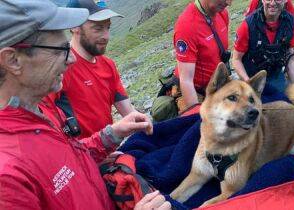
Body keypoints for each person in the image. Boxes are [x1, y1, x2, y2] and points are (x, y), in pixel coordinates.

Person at [0, 0, 169, 209]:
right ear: (13, 60)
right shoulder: (7, 178)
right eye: (59, 49)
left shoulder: (41, 110)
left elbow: (69, 159)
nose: (71, 59)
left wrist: (110, 136)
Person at [55, 0, 150, 138]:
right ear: (75, 26)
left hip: (107, 149)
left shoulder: (108, 65)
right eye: (98, 28)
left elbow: (129, 112)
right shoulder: (59, 68)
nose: (106, 36)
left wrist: (146, 125)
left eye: (108, 28)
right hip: (77, 154)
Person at [233, 0, 294, 98]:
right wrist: (248, 82)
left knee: (280, 105)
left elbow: (291, 56)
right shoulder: (248, 25)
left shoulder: (291, 23)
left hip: (275, 75)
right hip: (252, 76)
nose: (272, 3)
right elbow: (236, 59)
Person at [173, 0, 232, 111]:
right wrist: (197, 116)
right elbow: (186, 80)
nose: (229, 3)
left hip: (217, 84)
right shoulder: (187, 26)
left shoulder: (222, 13)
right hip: (195, 90)